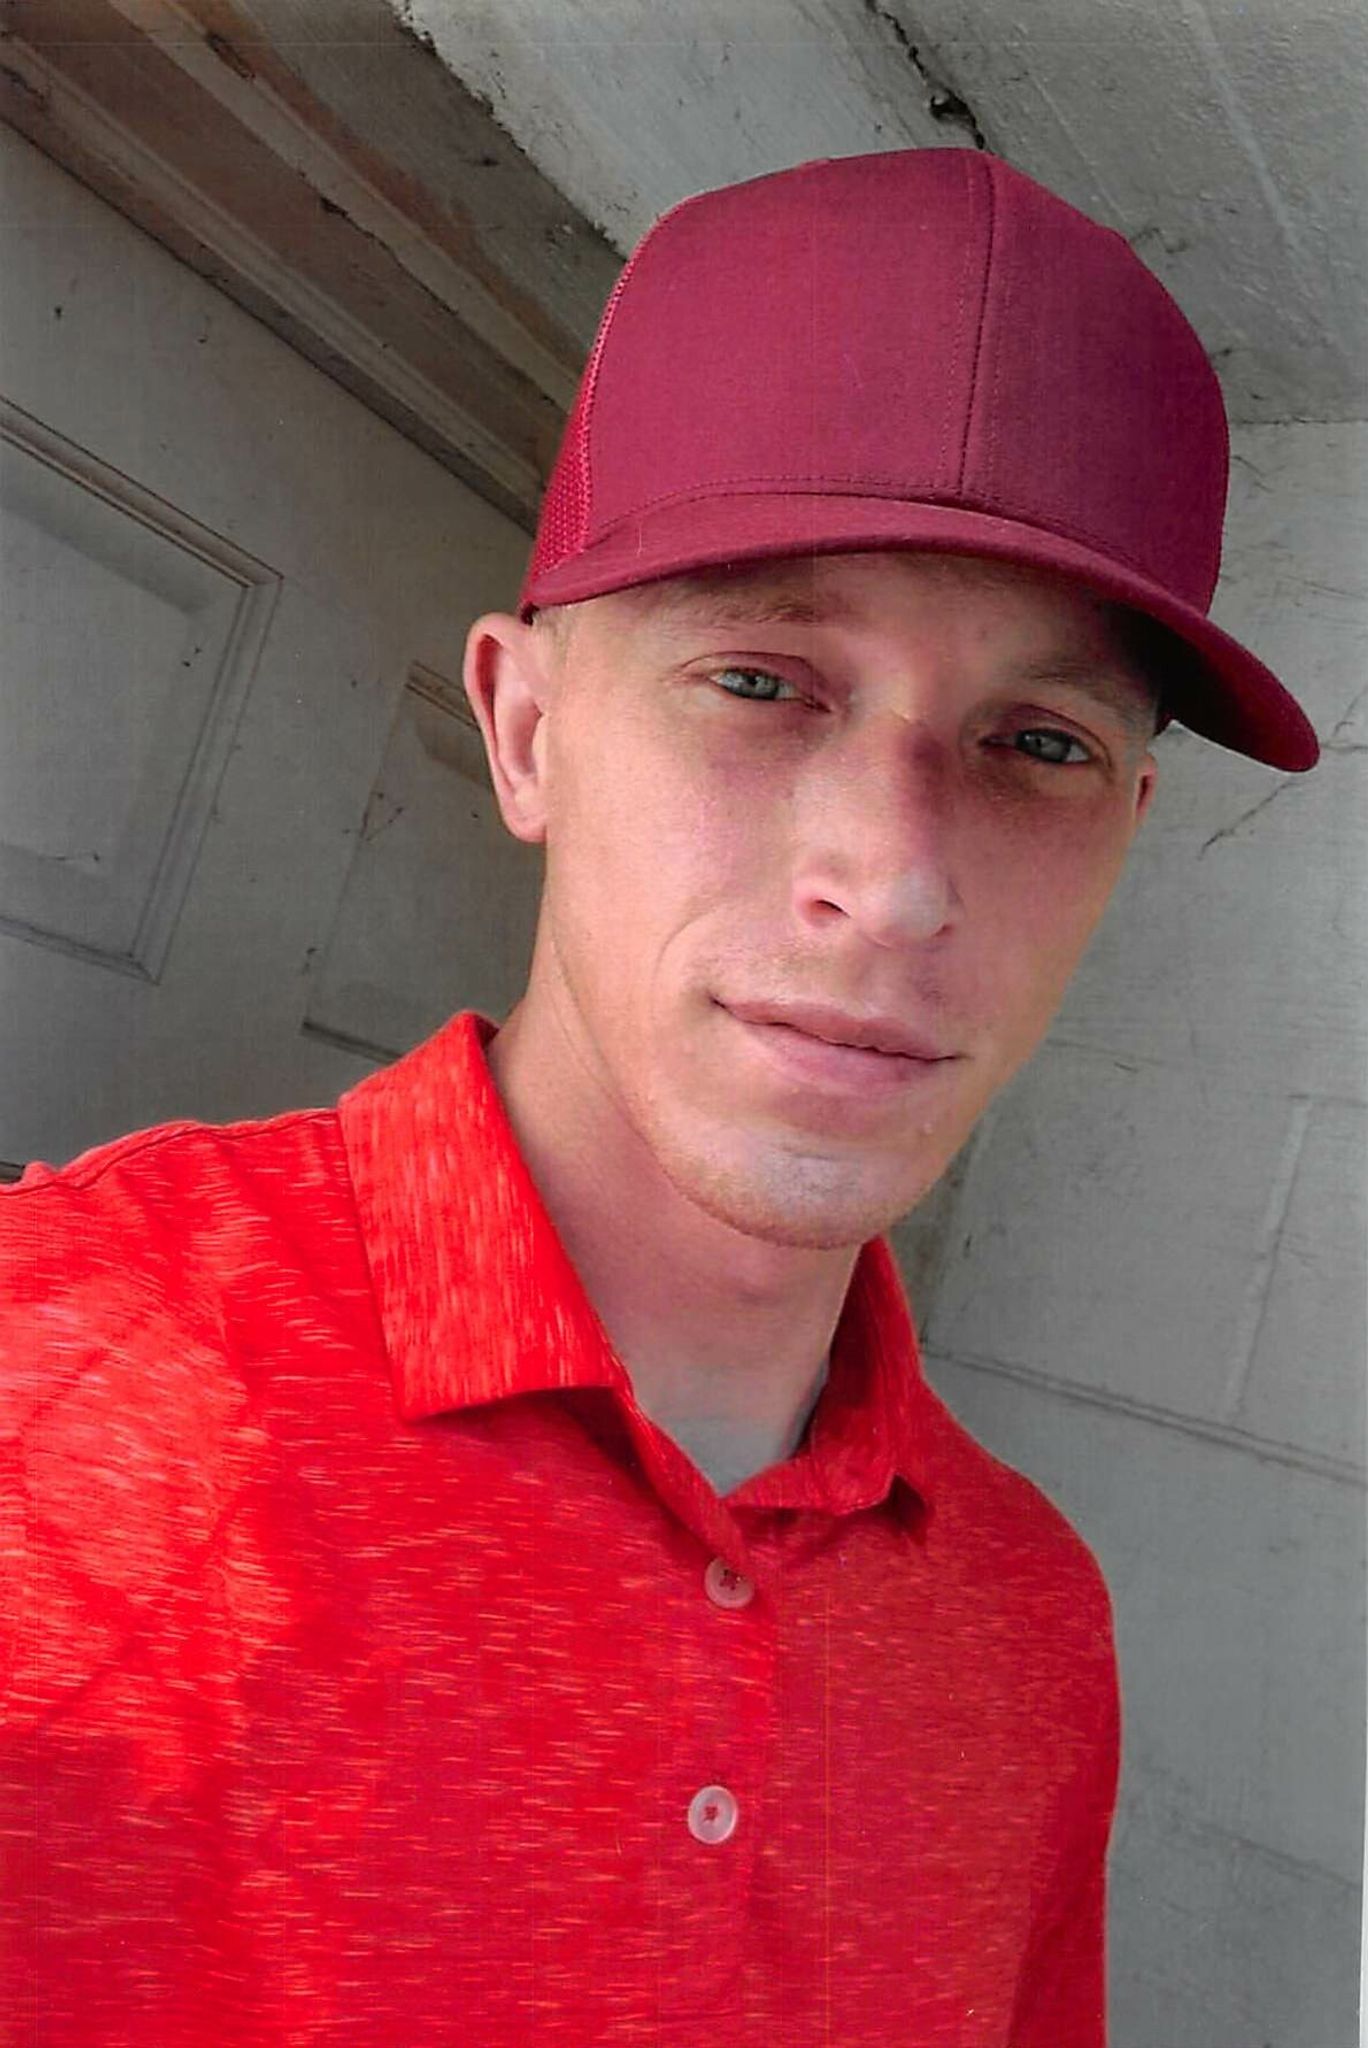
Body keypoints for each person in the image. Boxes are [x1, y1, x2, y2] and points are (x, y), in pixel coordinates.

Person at [0, 148, 1318, 2047]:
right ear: (526, 730)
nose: (897, 880)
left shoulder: (1036, 1631)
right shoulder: (52, 1367)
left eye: (1038, 742)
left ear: (1126, 828)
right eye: (764, 683)